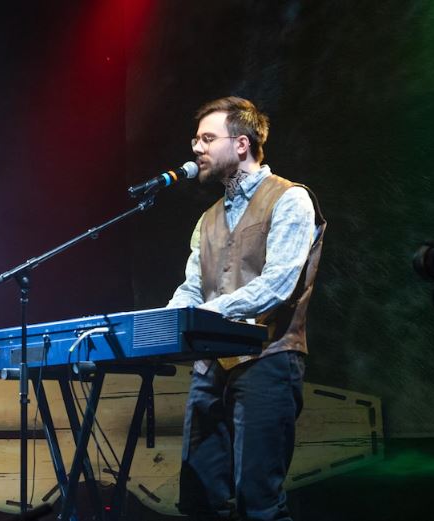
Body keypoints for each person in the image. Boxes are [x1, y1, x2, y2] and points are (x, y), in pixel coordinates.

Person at [167, 96, 326, 521]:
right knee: (198, 502)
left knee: (258, 504)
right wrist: (166, 322)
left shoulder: (290, 199)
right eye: (195, 139)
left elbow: (279, 284)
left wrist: (206, 314)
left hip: (268, 360)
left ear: (241, 144)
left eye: (207, 138)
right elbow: (191, 287)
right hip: (210, 367)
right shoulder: (208, 218)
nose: (196, 148)